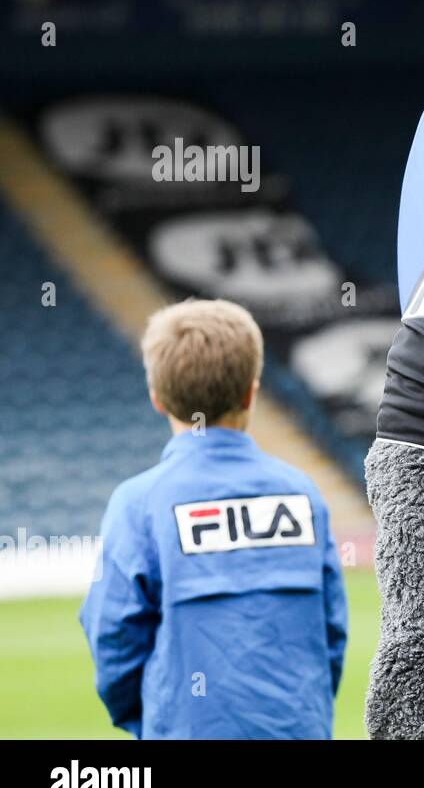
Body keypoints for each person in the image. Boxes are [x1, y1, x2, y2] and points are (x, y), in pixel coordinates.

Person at [79, 299, 348, 739]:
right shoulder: (301, 495)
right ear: (251, 392)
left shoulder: (139, 503)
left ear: (157, 399)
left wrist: (151, 719)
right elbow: (330, 631)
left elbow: (113, 637)